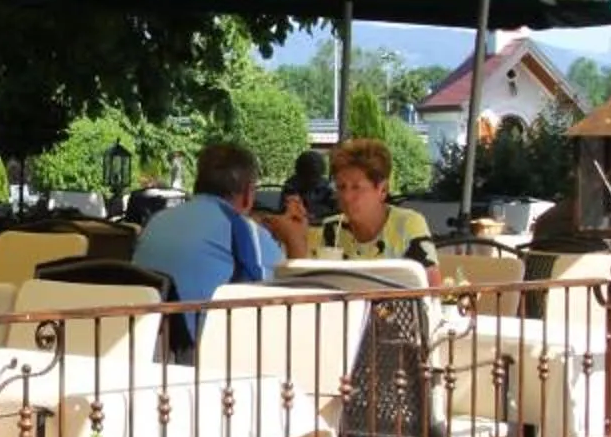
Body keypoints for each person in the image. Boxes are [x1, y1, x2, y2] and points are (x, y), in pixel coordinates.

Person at [135, 141, 305, 346]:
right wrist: (295, 239)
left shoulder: (158, 220)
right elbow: (299, 298)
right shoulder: (243, 231)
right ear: (248, 193)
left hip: (149, 346)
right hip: (208, 354)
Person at [318, 138, 437, 277]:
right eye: (341, 187)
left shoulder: (407, 225)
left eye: (356, 187)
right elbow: (323, 284)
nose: (346, 196)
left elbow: (432, 290)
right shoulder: (332, 229)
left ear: (383, 190)